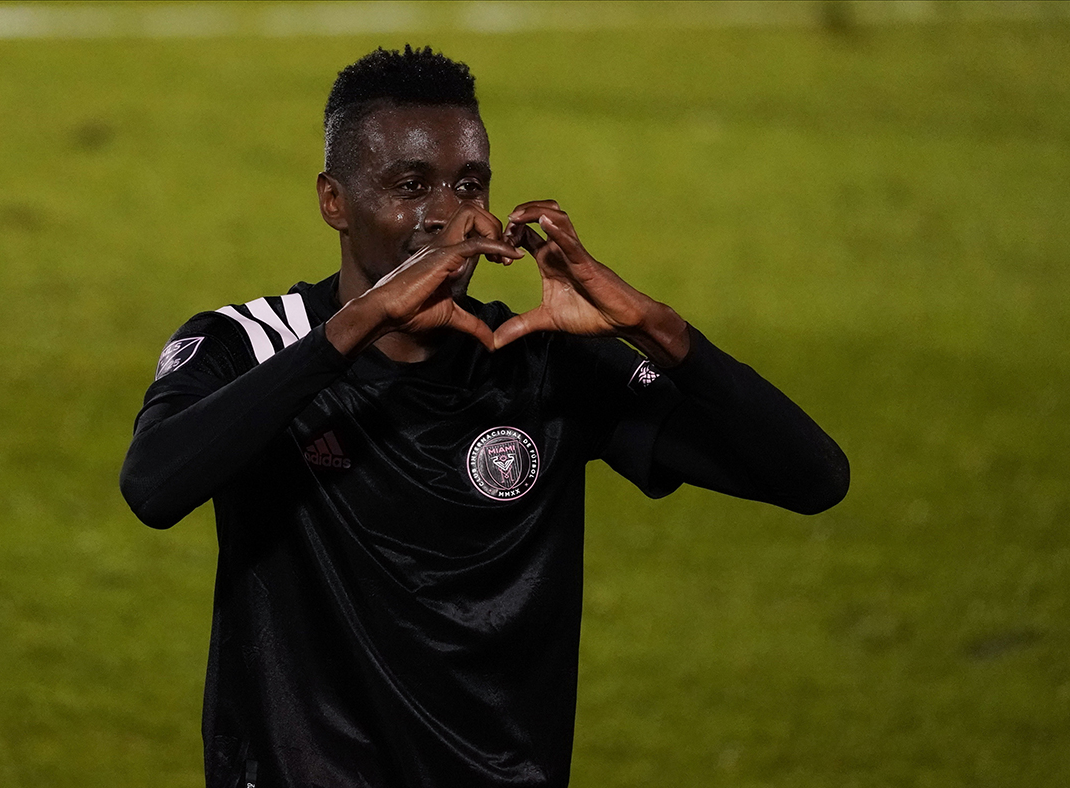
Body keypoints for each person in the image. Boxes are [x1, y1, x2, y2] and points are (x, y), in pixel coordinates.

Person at [120, 45, 849, 788]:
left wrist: (656, 328)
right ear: (334, 201)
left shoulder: (542, 362)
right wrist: (354, 328)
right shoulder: (252, 345)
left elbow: (812, 477)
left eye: (470, 184)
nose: (449, 214)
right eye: (411, 186)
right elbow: (153, 485)